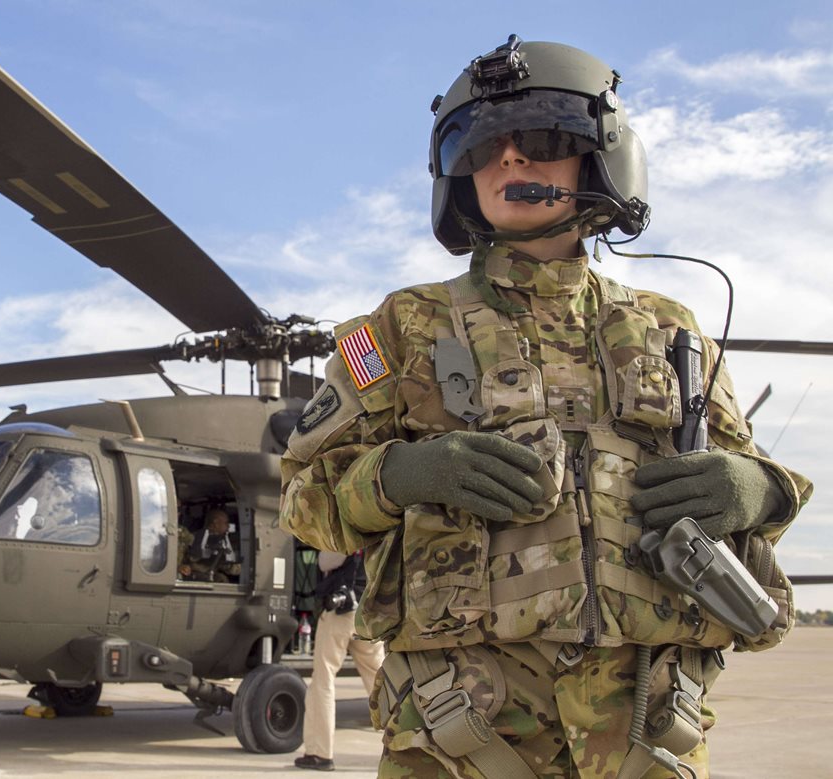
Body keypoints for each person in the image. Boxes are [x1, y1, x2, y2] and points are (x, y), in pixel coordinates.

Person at [281, 35, 812, 779]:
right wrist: (398, 474)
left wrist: (757, 489)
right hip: (459, 734)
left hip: (651, 733)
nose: (508, 162)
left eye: (537, 140)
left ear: (600, 159)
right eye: (481, 147)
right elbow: (302, 498)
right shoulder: (400, 327)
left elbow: (751, 487)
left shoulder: (672, 329)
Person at [295, 550, 386, 772]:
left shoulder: (347, 528)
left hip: (342, 614)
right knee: (382, 685)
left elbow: (326, 562)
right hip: (370, 616)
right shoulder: (382, 528)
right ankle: (403, 747)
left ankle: (320, 753)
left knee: (323, 681)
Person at [183, 507, 241, 582]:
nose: (228, 526)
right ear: (216, 523)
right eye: (226, 523)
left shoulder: (220, 540)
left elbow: (229, 566)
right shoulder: (194, 539)